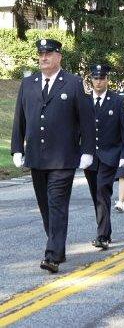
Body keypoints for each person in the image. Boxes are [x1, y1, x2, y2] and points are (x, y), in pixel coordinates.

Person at [11, 38, 95, 273]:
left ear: (59, 56)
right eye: (40, 54)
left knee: (57, 204)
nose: (43, 57)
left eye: (48, 54)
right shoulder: (28, 83)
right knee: (45, 206)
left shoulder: (74, 83)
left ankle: (52, 256)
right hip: (37, 156)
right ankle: (57, 246)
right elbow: (20, 118)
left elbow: (86, 120)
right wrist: (17, 148)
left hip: (63, 157)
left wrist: (87, 150)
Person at [84, 65, 124, 250]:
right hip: (90, 157)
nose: (99, 81)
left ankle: (102, 236)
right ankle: (105, 231)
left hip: (110, 155)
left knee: (103, 191)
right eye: (95, 78)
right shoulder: (85, 101)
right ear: (91, 80)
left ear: (107, 80)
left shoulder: (117, 101)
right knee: (96, 194)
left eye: (102, 78)